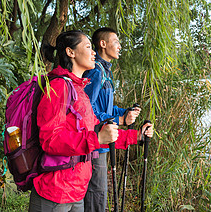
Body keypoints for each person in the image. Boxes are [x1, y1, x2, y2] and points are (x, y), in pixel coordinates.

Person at [29, 30, 151, 212]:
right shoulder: (59, 87)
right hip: (56, 190)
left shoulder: (79, 89)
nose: (93, 52)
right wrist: (97, 139)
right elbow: (49, 140)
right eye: (88, 47)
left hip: (77, 190)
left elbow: (98, 128)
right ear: (71, 52)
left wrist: (136, 137)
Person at [83, 27, 151, 212]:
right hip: (96, 142)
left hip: (102, 142)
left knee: (98, 192)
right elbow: (88, 108)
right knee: (97, 193)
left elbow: (103, 106)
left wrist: (125, 112)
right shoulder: (96, 71)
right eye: (116, 42)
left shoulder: (105, 70)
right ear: (103, 44)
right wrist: (118, 119)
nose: (120, 46)